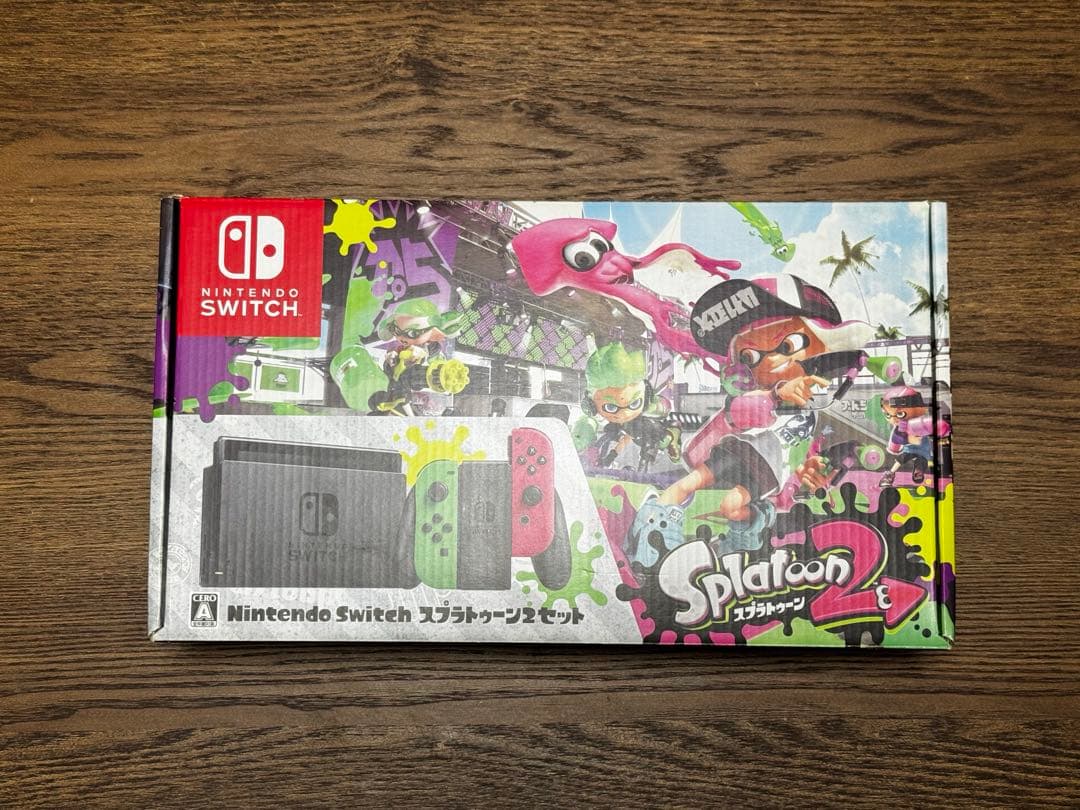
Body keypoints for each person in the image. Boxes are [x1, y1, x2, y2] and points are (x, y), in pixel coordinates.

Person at [628, 275, 873, 559]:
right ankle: (651, 531)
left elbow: (795, 455)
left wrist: (805, 472)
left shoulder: (811, 413)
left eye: (786, 346)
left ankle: (747, 532)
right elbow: (743, 411)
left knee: (731, 507)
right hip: (734, 449)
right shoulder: (754, 397)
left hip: (765, 468)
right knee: (687, 484)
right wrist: (776, 394)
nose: (770, 360)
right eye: (750, 357)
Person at [574, 343, 681, 471]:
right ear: (591, 406)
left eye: (634, 403)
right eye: (611, 407)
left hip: (654, 437)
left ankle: (673, 433)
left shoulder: (640, 422)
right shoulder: (622, 424)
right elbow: (625, 439)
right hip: (640, 437)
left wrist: (642, 467)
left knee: (661, 443)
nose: (624, 414)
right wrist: (611, 456)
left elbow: (639, 440)